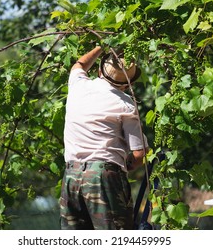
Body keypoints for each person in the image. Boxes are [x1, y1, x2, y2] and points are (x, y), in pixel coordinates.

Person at [59, 46, 148, 230]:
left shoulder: (78, 85)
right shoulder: (126, 104)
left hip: (71, 176)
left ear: (100, 70)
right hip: (104, 177)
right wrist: (127, 165)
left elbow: (80, 64)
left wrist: (101, 46)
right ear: (127, 83)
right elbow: (139, 154)